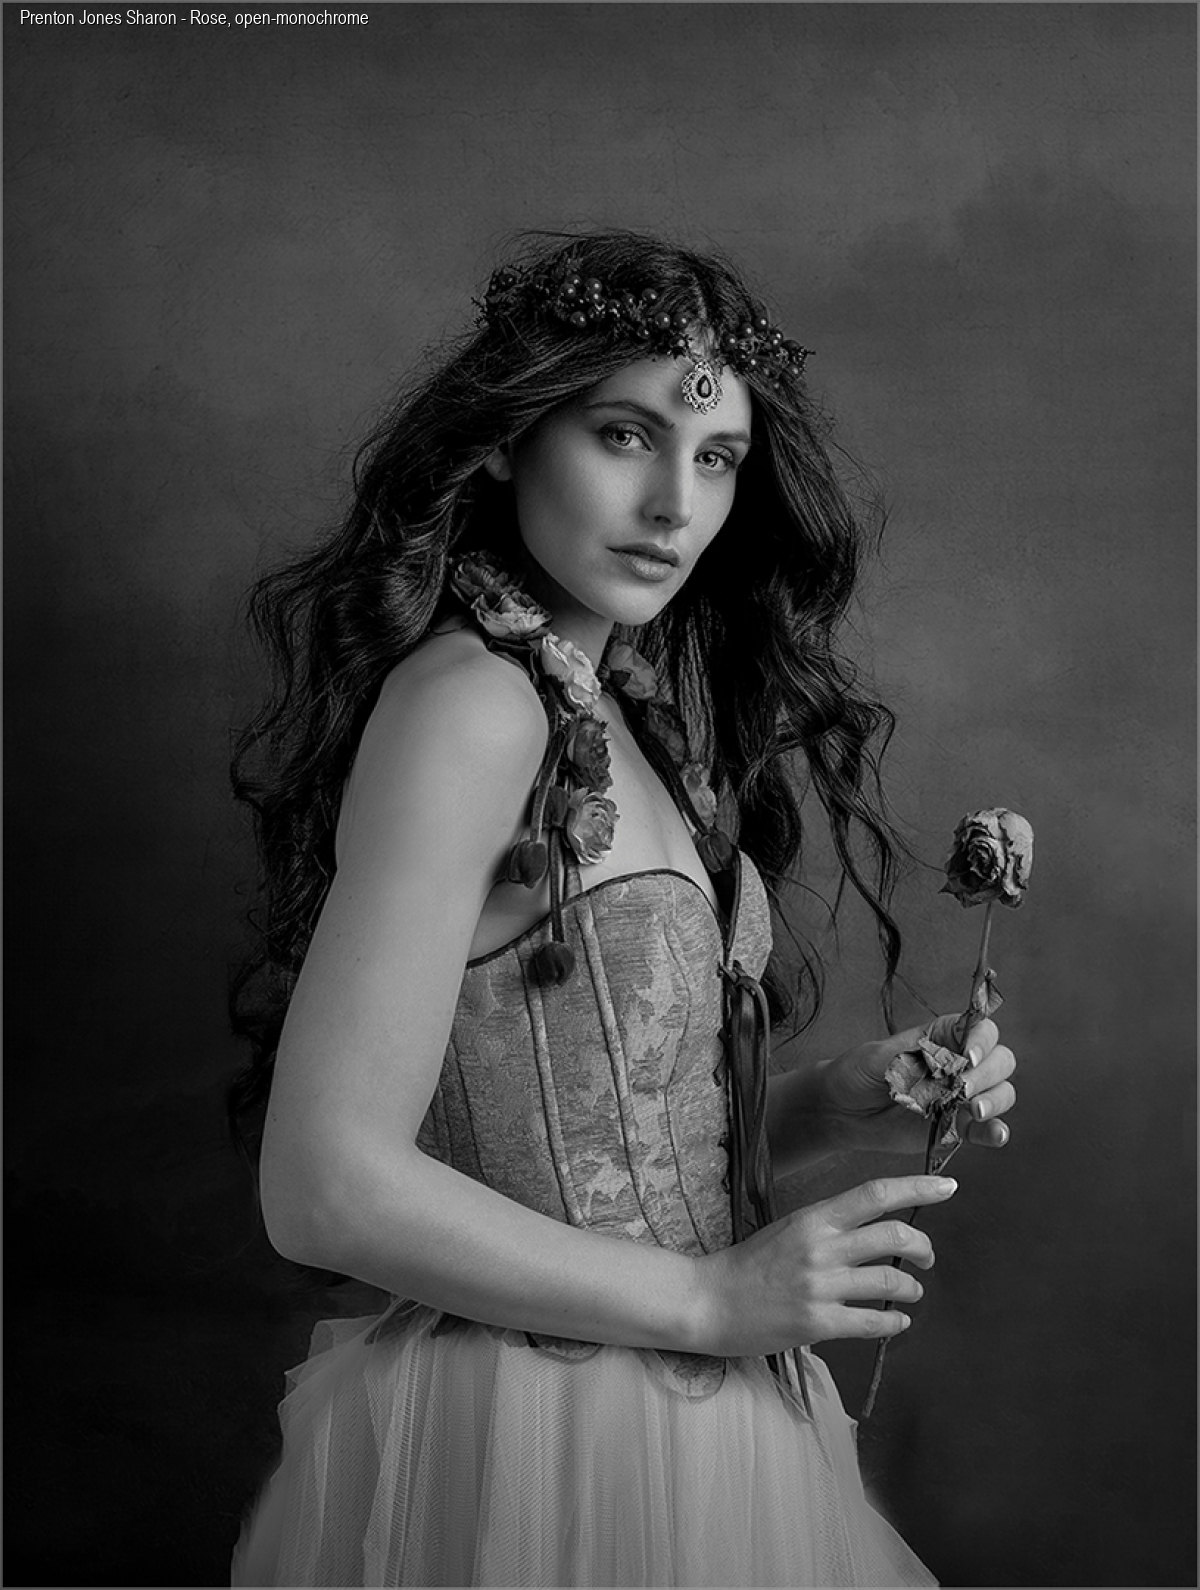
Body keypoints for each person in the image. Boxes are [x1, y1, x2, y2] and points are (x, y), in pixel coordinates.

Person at [228, 230, 1017, 1588]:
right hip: (534, 1444)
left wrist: (834, 1104)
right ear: (508, 437)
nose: (673, 504)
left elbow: (593, 1142)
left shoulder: (618, 715)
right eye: (624, 435)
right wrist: (710, 1298)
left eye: (716, 457)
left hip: (690, 1423)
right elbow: (324, 1187)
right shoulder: (472, 707)